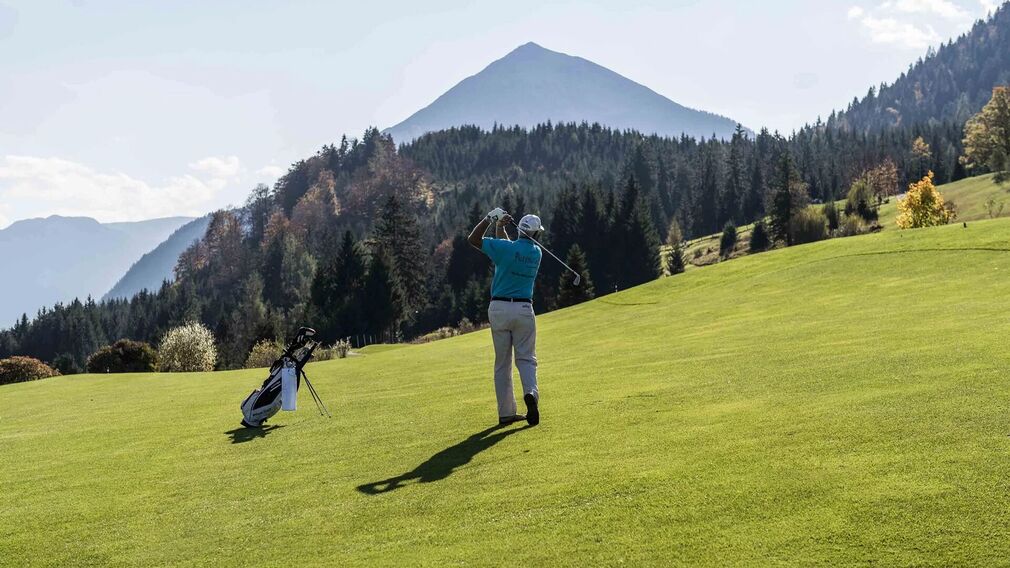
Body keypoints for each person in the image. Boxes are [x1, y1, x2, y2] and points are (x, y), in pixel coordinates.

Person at [467, 207, 543, 426]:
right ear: (536, 235)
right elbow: (511, 250)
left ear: (519, 230)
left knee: (502, 363)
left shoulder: (505, 249)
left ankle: (506, 413)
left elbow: (474, 239)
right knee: (526, 359)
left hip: (499, 309)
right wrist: (501, 228)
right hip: (523, 310)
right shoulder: (536, 253)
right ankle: (530, 393)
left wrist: (490, 219)